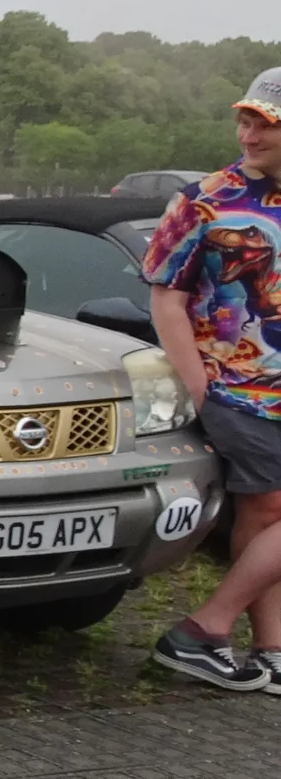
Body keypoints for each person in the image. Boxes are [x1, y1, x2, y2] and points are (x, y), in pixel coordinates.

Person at [140, 67, 281, 692]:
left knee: (266, 510)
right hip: (236, 385)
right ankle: (203, 628)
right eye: (245, 120)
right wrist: (199, 385)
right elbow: (166, 296)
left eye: (266, 125)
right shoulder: (206, 200)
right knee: (270, 506)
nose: (249, 134)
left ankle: (271, 649)